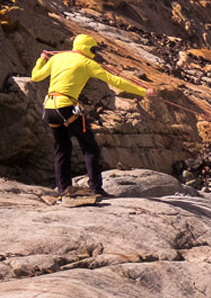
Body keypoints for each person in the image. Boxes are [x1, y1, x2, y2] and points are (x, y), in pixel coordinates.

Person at [30, 34, 155, 201]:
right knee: (90, 146)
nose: (95, 53)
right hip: (67, 107)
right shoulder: (87, 63)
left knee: (62, 148)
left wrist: (41, 60)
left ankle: (63, 190)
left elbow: (35, 76)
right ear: (86, 48)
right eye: (93, 49)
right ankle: (96, 189)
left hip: (49, 108)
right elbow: (115, 81)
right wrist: (143, 91)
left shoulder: (57, 58)